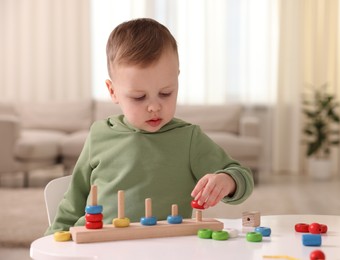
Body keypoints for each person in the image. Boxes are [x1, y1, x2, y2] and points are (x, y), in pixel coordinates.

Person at [45, 18, 254, 235]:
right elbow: (74, 200)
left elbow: (242, 176)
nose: (154, 106)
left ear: (177, 81)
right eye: (139, 97)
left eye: (166, 93)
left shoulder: (187, 138)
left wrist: (227, 181)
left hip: (163, 248)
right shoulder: (99, 134)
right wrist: (52, 240)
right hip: (99, 248)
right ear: (112, 91)